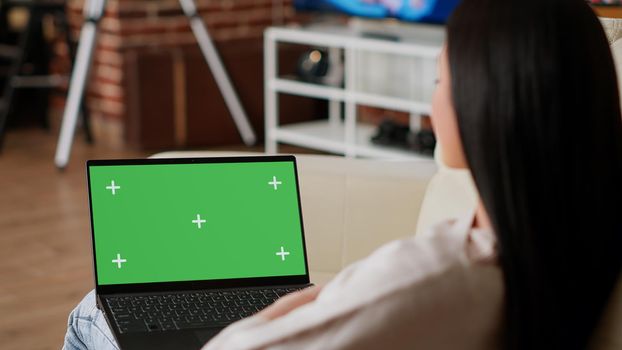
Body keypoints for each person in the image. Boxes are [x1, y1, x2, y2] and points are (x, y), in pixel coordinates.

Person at [63, 0, 622, 349]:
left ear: (487, 108)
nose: (431, 107)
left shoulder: (431, 275)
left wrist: (300, 303)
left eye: (438, 82)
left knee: (92, 310)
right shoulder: (573, 241)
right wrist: (329, 294)